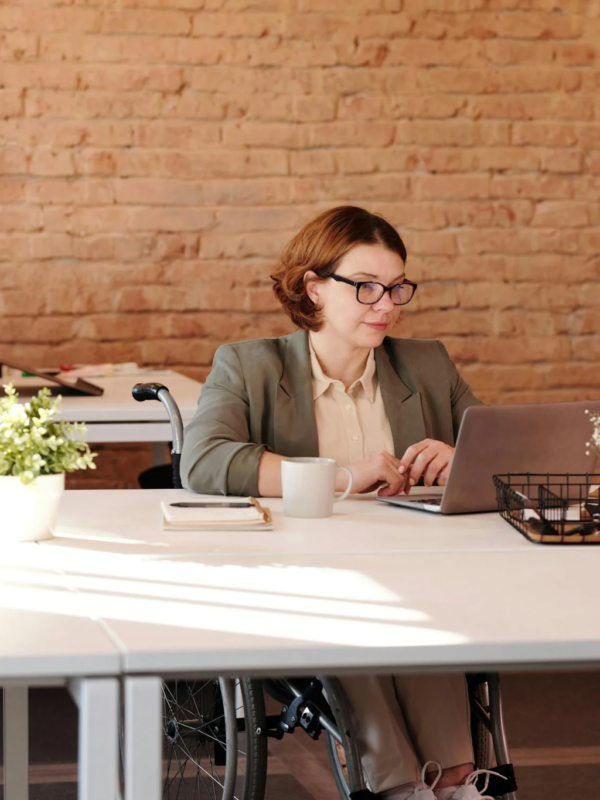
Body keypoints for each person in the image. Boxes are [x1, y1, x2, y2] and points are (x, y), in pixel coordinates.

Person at [182, 206, 495, 800]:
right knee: (358, 616)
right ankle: (401, 784)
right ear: (314, 286)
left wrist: (462, 458)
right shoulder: (250, 365)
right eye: (368, 287)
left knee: (420, 614)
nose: (388, 304)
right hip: (302, 581)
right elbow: (204, 462)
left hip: (416, 573)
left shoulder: (425, 365)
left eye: (397, 287)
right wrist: (343, 476)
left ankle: (454, 782)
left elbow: (498, 453)